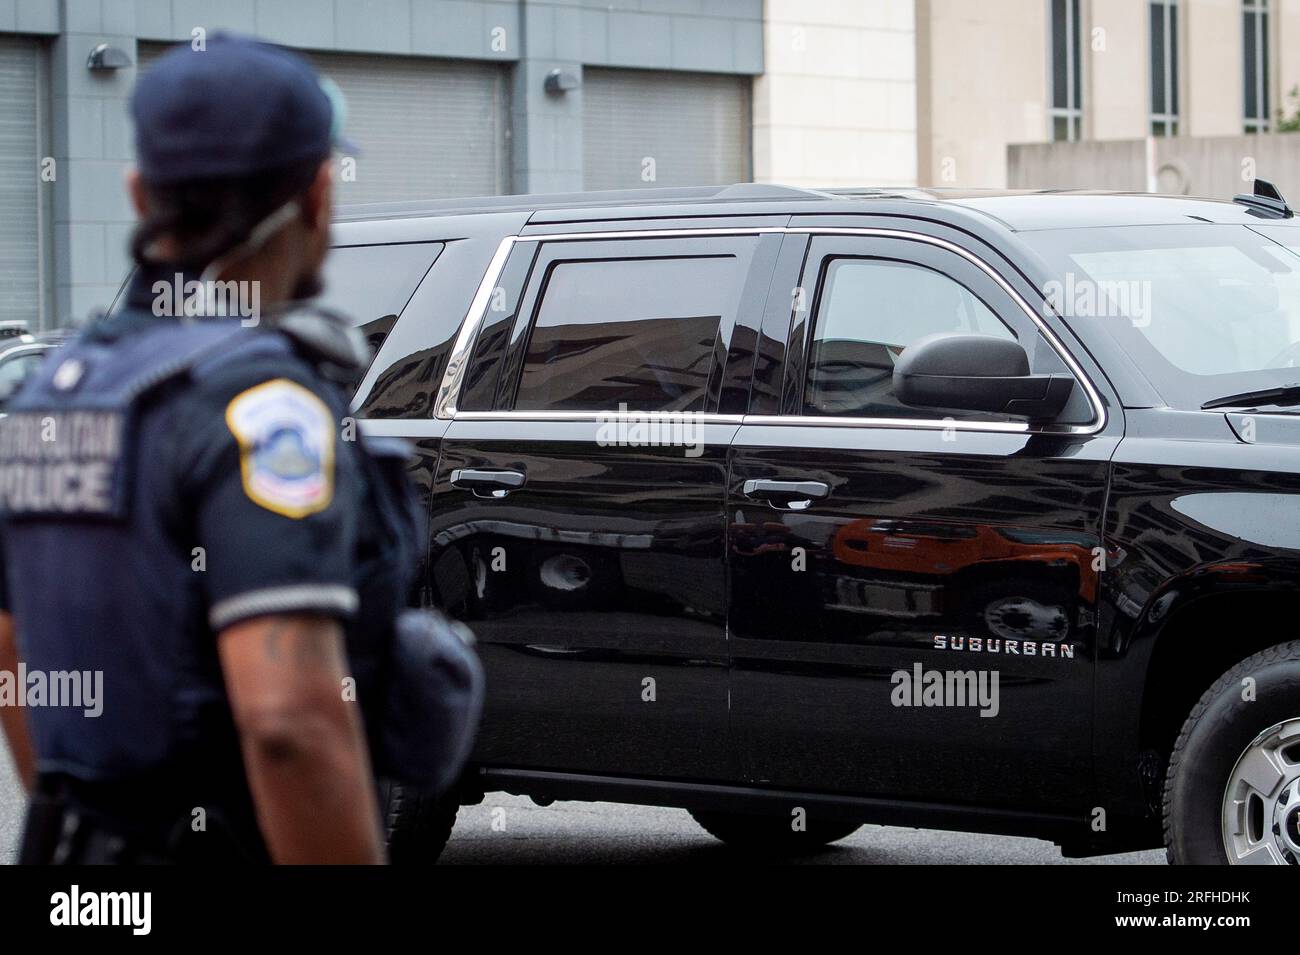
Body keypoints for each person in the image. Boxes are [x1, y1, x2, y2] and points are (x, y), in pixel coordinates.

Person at [0, 35, 414, 864]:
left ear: (138, 191)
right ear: (320, 196)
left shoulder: (50, 390)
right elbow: (289, 720)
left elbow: (14, 654)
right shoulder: (266, 408)